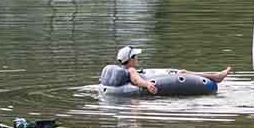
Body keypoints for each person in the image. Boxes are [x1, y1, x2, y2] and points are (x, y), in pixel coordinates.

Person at [99, 45, 231, 94]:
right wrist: (147, 85)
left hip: (143, 81)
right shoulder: (131, 70)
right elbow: (136, 79)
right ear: (131, 58)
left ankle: (217, 76)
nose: (137, 58)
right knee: (184, 73)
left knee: (183, 72)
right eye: (136, 56)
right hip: (147, 84)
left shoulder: (125, 70)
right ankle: (216, 76)